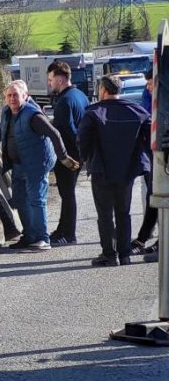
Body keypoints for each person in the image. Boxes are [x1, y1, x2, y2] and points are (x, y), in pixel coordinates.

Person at [0, 80, 80, 251]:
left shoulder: (33, 115)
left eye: (16, 95)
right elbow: (1, 130)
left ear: (25, 96)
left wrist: (64, 158)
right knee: (20, 199)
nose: (12, 99)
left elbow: (54, 134)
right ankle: (29, 236)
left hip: (37, 164)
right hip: (19, 164)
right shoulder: (7, 112)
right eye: (9, 95)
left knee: (36, 200)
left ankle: (43, 239)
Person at [78, 75, 151, 266]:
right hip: (127, 170)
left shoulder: (94, 113)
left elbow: (83, 140)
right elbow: (150, 139)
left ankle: (109, 255)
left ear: (102, 90)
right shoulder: (138, 111)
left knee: (105, 214)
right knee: (123, 213)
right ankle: (125, 254)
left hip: (102, 170)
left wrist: (85, 159)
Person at [47, 61, 90, 246]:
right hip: (80, 152)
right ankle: (61, 230)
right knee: (67, 193)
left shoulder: (64, 101)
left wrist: (66, 156)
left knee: (67, 194)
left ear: (60, 79)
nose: (49, 83)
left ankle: (69, 234)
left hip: (68, 155)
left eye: (51, 80)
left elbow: (65, 129)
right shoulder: (80, 95)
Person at [131, 70, 159, 257]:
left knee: (156, 198)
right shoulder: (148, 97)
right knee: (153, 198)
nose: (148, 87)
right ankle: (143, 238)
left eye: (151, 83)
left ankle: (148, 240)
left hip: (158, 157)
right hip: (152, 157)